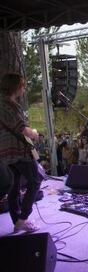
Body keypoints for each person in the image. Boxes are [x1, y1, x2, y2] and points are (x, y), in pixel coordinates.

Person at [0, 73, 41, 233]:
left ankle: (17, 220)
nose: (24, 89)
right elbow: (23, 130)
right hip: (18, 150)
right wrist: (35, 134)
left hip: (5, 152)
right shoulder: (9, 104)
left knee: (14, 186)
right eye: (23, 85)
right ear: (16, 87)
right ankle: (23, 218)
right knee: (35, 180)